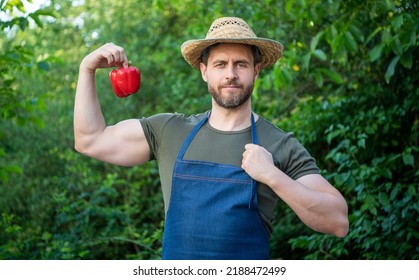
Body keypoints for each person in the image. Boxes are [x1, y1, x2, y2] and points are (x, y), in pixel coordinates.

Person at [74, 17, 349, 260]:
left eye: (241, 64)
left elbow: (338, 221)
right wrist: (86, 69)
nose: (230, 74)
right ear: (205, 71)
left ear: (256, 70)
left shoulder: (278, 144)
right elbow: (89, 140)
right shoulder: (169, 131)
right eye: (220, 64)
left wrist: (274, 176)